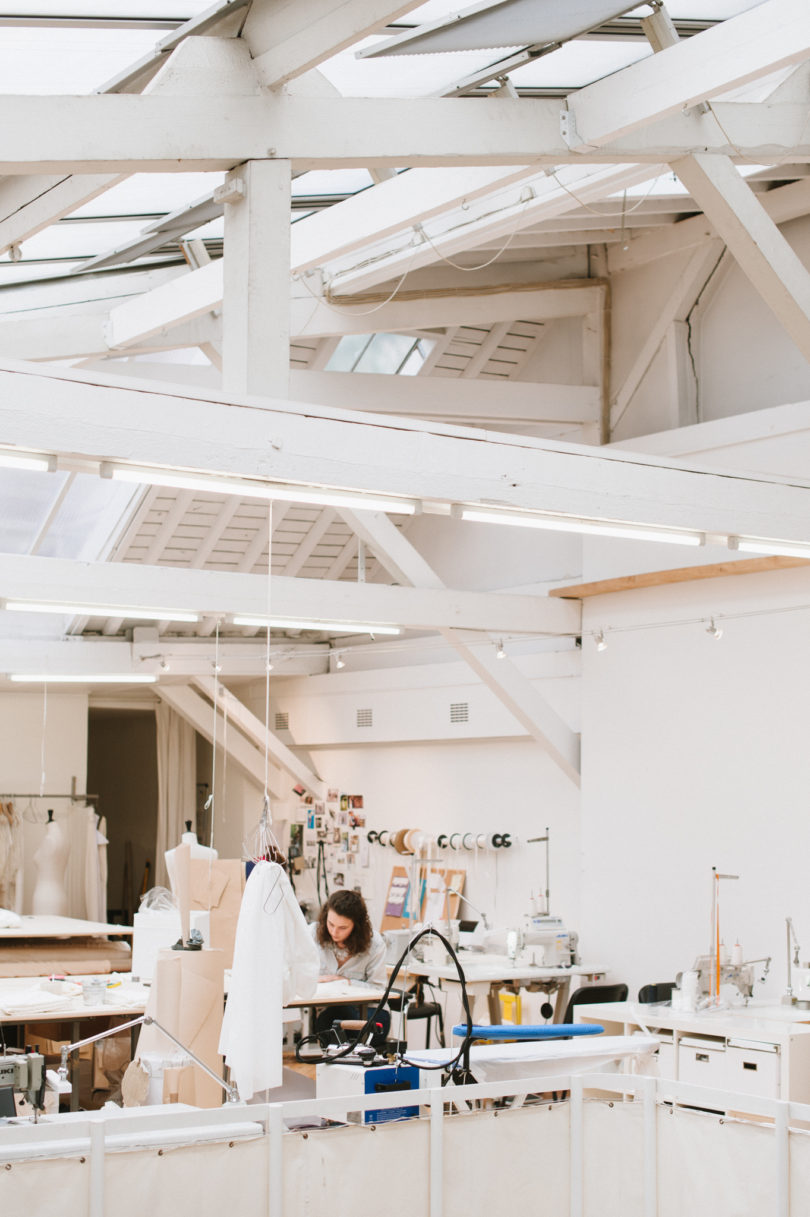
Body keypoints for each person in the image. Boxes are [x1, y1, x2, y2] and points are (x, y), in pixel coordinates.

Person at [309, 889, 390, 1045]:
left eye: (343, 928)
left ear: (356, 926)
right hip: (331, 1013)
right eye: (331, 924)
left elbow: (378, 989)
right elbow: (297, 970)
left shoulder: (375, 944)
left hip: (370, 1012)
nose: (334, 931)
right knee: (333, 1018)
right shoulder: (313, 934)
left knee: (345, 1020)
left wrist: (344, 981)